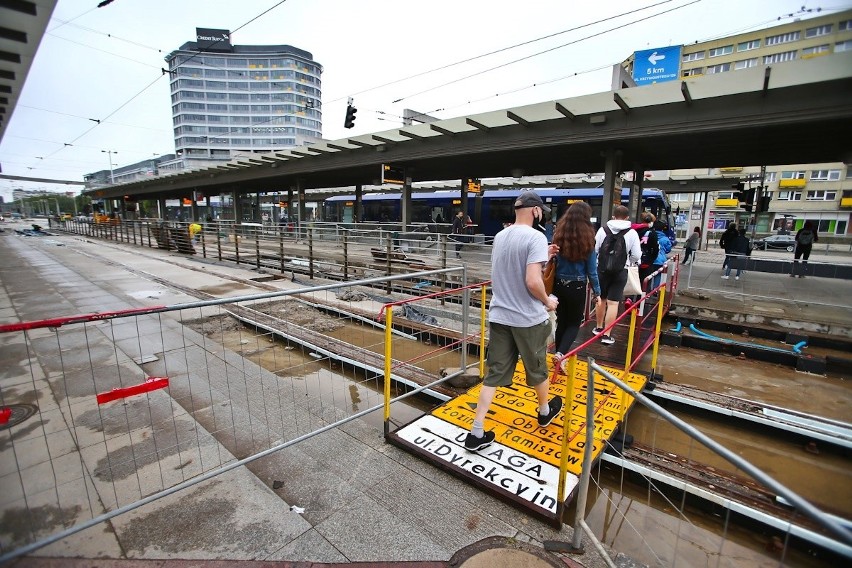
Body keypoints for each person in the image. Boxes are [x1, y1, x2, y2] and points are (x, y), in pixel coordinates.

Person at [464, 191, 561, 452]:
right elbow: (532, 281)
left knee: (494, 373)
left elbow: (515, 271)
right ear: (536, 211)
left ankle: (476, 431)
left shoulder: (500, 235)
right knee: (537, 367)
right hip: (528, 319)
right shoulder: (536, 237)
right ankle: (543, 411)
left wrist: (545, 256)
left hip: (500, 315)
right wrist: (547, 301)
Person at [551, 202, 601, 362]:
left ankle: (558, 353)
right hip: (577, 286)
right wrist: (597, 293)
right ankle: (560, 355)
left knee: (562, 321)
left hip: (558, 284)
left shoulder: (559, 235)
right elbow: (592, 271)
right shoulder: (588, 239)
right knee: (573, 323)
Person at [594, 205, 641, 346]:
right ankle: (607, 335)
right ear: (627, 218)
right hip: (620, 271)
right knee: (613, 302)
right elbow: (637, 255)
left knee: (600, 298)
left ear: (613, 216)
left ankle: (598, 328)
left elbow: (595, 249)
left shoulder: (603, 230)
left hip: (601, 270)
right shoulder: (632, 233)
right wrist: (628, 261)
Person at [633, 212, 659, 296]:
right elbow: (655, 249)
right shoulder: (652, 233)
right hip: (646, 263)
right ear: (651, 222)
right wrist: (651, 259)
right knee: (644, 284)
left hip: (632, 261)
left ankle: (629, 300)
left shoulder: (633, 231)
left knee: (632, 282)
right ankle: (639, 304)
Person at [651, 220, 673, 290]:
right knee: (658, 275)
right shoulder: (665, 239)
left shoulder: (650, 235)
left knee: (648, 276)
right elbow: (668, 249)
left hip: (650, 259)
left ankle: (646, 292)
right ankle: (655, 290)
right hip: (660, 260)